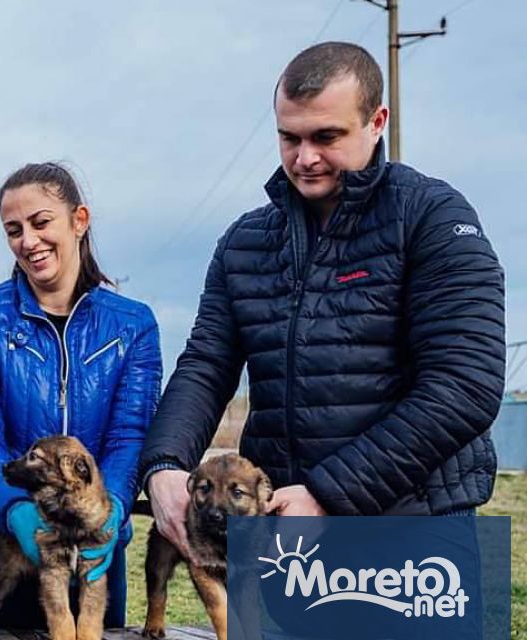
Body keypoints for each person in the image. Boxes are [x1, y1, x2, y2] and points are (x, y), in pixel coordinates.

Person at [139, 41, 504, 560]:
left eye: (326, 136)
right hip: (285, 531)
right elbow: (205, 364)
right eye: (289, 137)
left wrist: (332, 494)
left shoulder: (433, 219)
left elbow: (464, 386)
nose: (304, 158)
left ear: (376, 121)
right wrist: (166, 464)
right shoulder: (244, 243)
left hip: (413, 532)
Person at [0, 162, 162, 628]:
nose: (28, 240)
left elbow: (131, 436)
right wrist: (13, 507)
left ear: (78, 221)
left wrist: (114, 508)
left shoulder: (133, 325)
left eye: (41, 223)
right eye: (14, 230)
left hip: (89, 556)